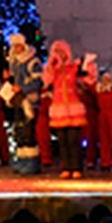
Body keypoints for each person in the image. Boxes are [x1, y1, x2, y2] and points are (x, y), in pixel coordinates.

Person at [43, 39, 87, 178]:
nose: (60, 55)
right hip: (59, 108)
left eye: (62, 52)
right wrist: (52, 65)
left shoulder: (73, 68)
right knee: (62, 141)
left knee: (73, 140)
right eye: (57, 52)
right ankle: (66, 167)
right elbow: (46, 81)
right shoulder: (52, 69)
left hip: (73, 108)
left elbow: (87, 79)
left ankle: (77, 167)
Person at [5, 33, 42, 175]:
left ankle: (32, 161)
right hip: (18, 100)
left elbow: (38, 81)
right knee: (19, 130)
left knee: (28, 131)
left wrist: (23, 88)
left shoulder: (33, 62)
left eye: (19, 46)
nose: (17, 49)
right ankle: (22, 158)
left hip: (29, 101)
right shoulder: (15, 63)